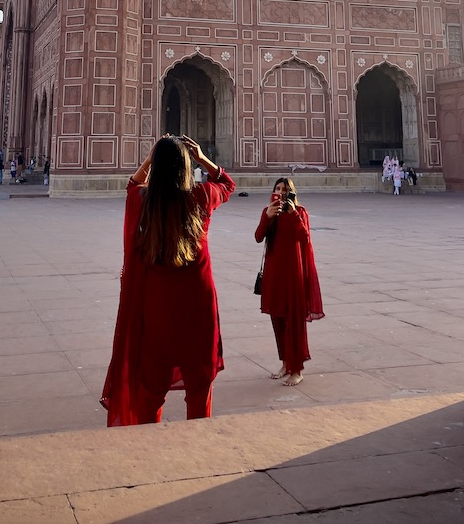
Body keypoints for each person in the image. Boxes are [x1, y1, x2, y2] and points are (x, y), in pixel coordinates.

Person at [101, 135, 234, 427]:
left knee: (151, 390)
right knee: (200, 388)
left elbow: (132, 186)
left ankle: (150, 449)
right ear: (186, 167)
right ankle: (198, 447)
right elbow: (227, 184)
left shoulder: (142, 202)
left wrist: (150, 158)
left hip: (157, 310)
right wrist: (202, 158)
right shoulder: (200, 197)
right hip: (197, 310)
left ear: (156, 167)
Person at [255, 177, 324, 387]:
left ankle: (297, 369)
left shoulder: (299, 213)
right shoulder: (269, 212)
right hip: (274, 274)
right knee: (278, 320)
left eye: (285, 190)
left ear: (292, 193)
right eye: (278, 189)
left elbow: (304, 239)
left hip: (293, 274)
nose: (281, 193)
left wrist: (293, 214)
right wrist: (267, 217)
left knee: (294, 322)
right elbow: (258, 237)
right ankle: (285, 363)